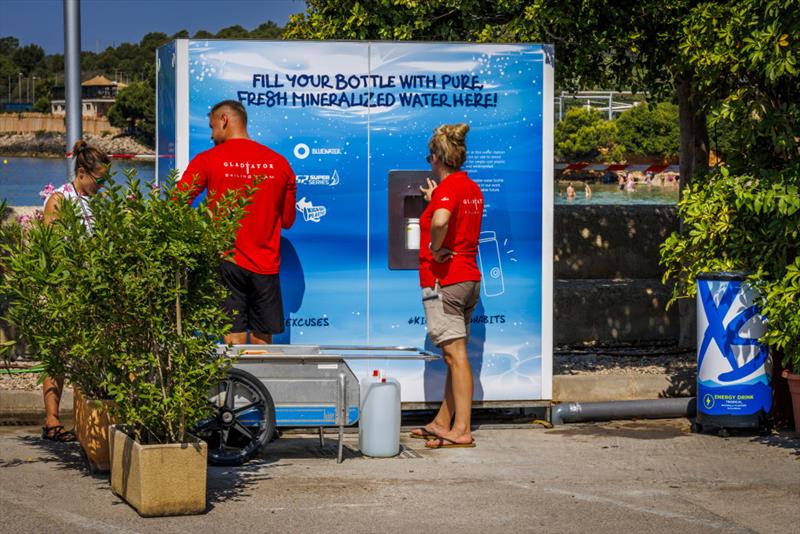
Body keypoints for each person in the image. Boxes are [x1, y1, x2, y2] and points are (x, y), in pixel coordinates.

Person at [178, 100, 296, 345]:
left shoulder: (206, 159)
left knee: (232, 337)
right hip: (266, 264)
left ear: (224, 120)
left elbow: (177, 202)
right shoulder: (280, 163)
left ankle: (236, 383)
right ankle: (260, 383)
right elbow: (287, 221)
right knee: (263, 338)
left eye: (212, 127)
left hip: (225, 262)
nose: (211, 135)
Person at [411, 123, 483, 449]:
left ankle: (462, 430)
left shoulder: (449, 189)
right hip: (468, 278)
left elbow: (440, 221)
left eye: (429, 157)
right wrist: (434, 199)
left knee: (455, 357)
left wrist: (435, 248)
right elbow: (450, 217)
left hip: (446, 281)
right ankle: (443, 422)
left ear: (439, 157)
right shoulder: (471, 188)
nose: (429, 162)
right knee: (456, 356)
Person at [40, 140, 111, 441]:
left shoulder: (98, 204)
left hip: (90, 287)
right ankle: (52, 419)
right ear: (82, 173)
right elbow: (52, 248)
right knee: (58, 355)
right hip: (64, 287)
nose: (103, 186)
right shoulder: (59, 200)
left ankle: (85, 422)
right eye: (100, 180)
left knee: (88, 355)